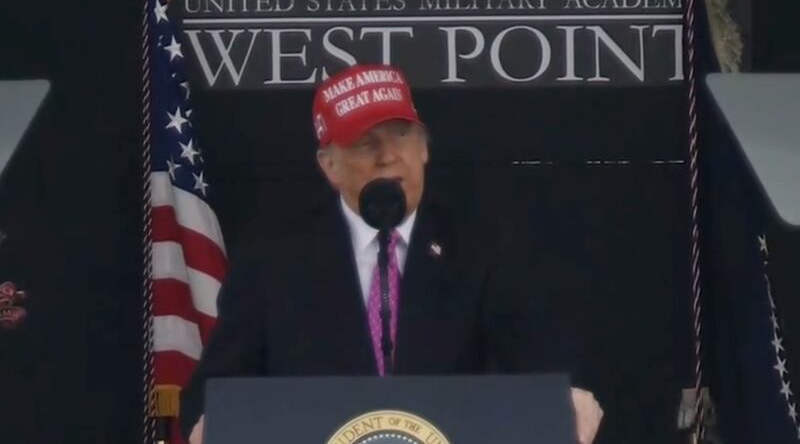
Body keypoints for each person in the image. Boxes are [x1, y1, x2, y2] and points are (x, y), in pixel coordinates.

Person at [180, 63, 604, 444]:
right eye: (366, 143)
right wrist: (208, 422)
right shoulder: (273, 262)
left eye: (402, 135)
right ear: (329, 166)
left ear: (424, 149)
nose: (389, 157)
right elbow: (214, 389)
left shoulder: (480, 249)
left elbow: (544, 361)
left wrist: (569, 397)